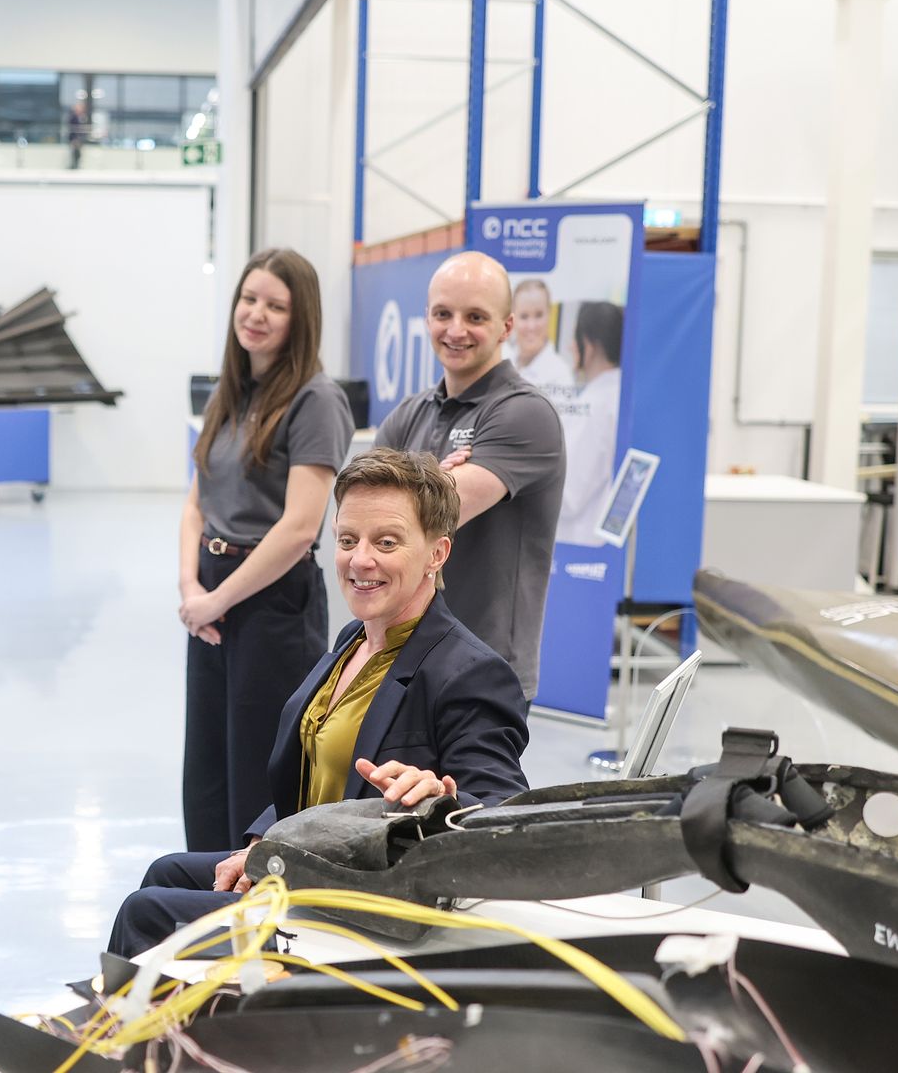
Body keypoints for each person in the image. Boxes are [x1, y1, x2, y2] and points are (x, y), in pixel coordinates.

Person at [112, 449, 530, 956]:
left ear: (437, 554)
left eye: (387, 542)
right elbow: (309, 781)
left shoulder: (470, 673)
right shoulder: (354, 638)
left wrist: (442, 798)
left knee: (147, 911)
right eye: (348, 540)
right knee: (167, 871)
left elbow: (501, 814)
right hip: (308, 864)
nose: (360, 560)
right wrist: (262, 841)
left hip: (363, 899)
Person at [179, 247, 354, 852]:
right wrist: (191, 589)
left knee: (256, 772)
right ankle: (204, 893)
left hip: (271, 602)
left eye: (275, 306)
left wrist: (217, 600)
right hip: (211, 595)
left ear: (300, 318)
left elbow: (300, 527)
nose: (256, 314)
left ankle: (257, 896)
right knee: (207, 769)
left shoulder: (315, 400)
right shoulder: (229, 393)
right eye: (249, 299)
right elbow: (196, 502)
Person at [374, 251, 566, 703]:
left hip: (483, 672)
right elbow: (360, 516)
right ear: (427, 317)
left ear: (506, 326)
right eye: (443, 314)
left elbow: (425, 518)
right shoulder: (410, 413)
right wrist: (432, 480)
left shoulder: (524, 414)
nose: (456, 330)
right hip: (400, 659)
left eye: (475, 317)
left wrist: (412, 490)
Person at [555, 301, 625, 545]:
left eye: (575, 338)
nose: (570, 346)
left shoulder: (593, 406)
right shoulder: (617, 395)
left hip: (580, 543)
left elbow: (568, 495)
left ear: (590, 345)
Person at [508, 278, 576, 398]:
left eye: (539, 315)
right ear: (512, 318)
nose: (531, 326)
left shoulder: (560, 376)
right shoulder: (502, 361)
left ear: (549, 314)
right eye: (524, 316)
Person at [66, 98, 90, 169]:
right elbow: (73, 128)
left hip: (78, 137)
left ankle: (76, 165)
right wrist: (75, 138)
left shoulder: (81, 117)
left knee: (77, 152)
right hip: (75, 137)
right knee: (75, 151)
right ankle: (74, 165)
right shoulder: (73, 117)